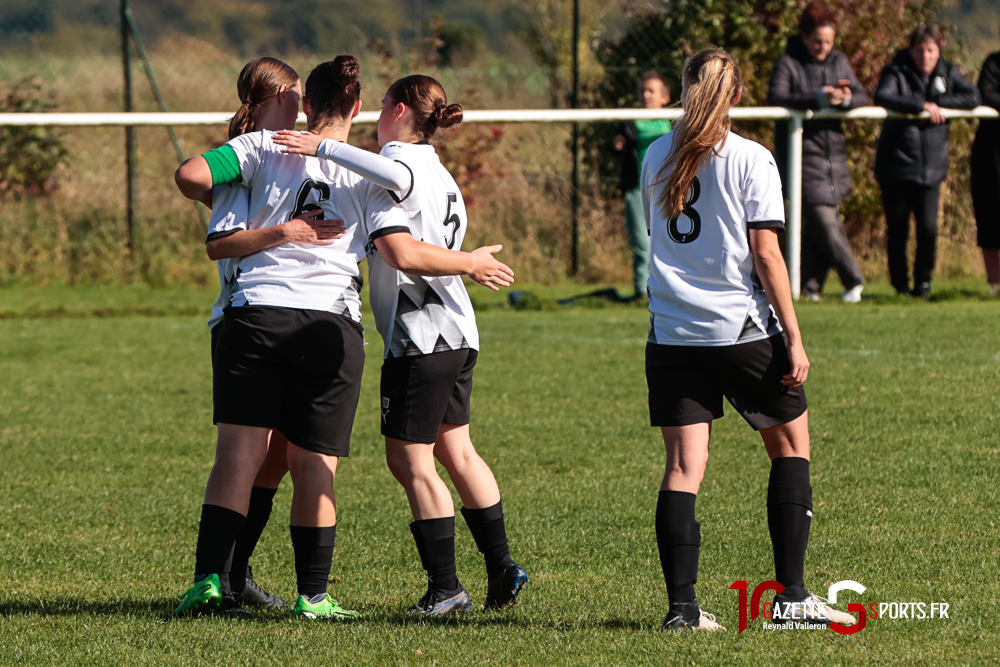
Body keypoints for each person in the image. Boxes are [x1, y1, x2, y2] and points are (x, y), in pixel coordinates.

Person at [274, 75, 527, 615]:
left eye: (384, 105)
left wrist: (323, 145)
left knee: (408, 458)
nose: (376, 115)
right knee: (457, 450)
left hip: (421, 335)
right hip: (458, 330)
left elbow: (404, 251)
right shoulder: (440, 173)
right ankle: (503, 565)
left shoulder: (396, 165)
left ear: (400, 109)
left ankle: (445, 589)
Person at [171, 55, 397, 621]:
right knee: (315, 461)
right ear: (357, 108)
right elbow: (399, 197)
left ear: (308, 103)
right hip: (330, 322)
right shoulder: (368, 167)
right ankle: (313, 597)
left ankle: (209, 583)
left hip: (258, 312)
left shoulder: (262, 146)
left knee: (239, 454)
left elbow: (192, 174)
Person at [641, 48, 856, 631]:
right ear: (736, 96)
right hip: (738, 332)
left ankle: (682, 611)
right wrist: (795, 334)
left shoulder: (656, 153)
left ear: (686, 92)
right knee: (791, 448)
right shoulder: (752, 158)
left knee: (684, 470)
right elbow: (766, 255)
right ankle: (792, 598)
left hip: (672, 334)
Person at [199, 56, 350, 613]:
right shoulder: (247, 160)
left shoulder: (303, 153)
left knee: (280, 454)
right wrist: (283, 229)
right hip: (247, 314)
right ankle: (221, 576)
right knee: (250, 452)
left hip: (292, 318)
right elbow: (219, 242)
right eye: (293, 91)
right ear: (285, 95)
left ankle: (235, 575)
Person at [768, 0, 867, 303]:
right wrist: (816, 98)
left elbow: (862, 96)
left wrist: (846, 98)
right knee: (825, 218)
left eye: (828, 42)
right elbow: (777, 96)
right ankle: (854, 280)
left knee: (818, 225)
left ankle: (810, 287)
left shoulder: (839, 60)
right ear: (804, 36)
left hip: (833, 154)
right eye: (817, 42)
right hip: (801, 155)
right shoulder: (788, 62)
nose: (823, 48)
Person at [874, 26, 981, 297]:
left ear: (939, 49)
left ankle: (923, 283)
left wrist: (937, 102)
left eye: (931, 50)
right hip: (896, 166)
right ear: (911, 50)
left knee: (929, 229)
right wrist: (919, 105)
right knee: (897, 230)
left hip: (932, 167)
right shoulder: (896, 70)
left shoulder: (948, 70)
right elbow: (884, 96)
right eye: (920, 50)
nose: (925, 55)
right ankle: (900, 286)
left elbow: (972, 97)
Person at [612, 71, 672, 300]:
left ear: (665, 97)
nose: (645, 95)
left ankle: (668, 291)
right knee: (642, 243)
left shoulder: (675, 121)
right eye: (642, 91)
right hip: (638, 190)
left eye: (651, 91)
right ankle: (641, 292)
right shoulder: (630, 121)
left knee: (669, 242)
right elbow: (616, 146)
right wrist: (618, 144)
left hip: (667, 190)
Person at [971, 39, 1000, 295]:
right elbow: (986, 95)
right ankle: (995, 285)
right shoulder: (994, 63)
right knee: (991, 218)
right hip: (991, 155)